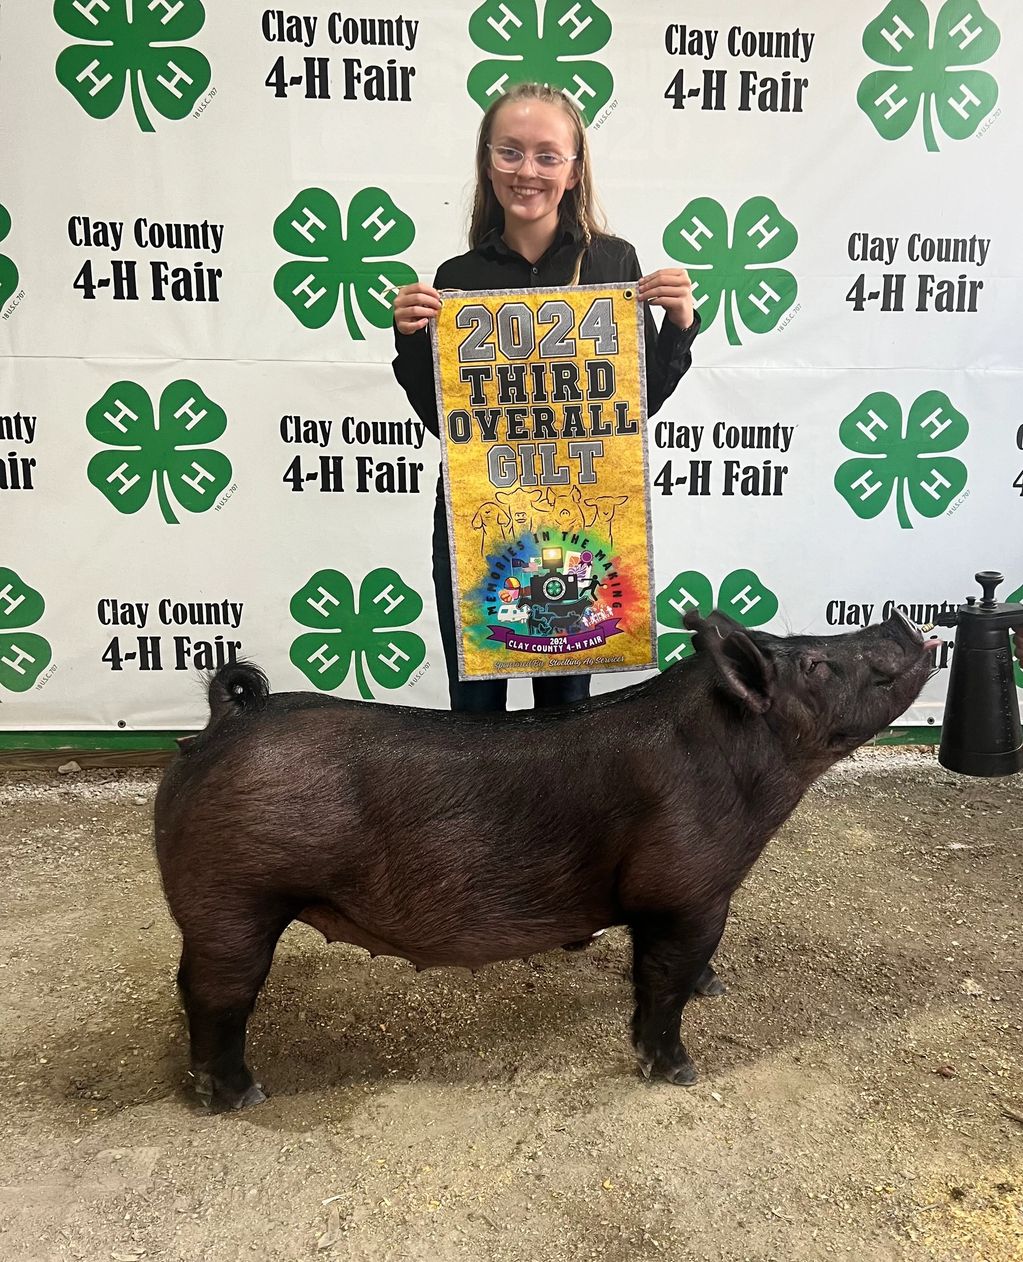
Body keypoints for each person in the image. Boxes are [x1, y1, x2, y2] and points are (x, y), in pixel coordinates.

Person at [392, 82, 700, 712]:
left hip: (578, 524)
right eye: (509, 152)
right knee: (475, 711)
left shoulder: (616, 264)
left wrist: (679, 326)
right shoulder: (457, 280)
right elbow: (447, 424)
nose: (526, 171)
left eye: (546, 155)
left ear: (574, 168)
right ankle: (476, 817)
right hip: (480, 523)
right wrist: (410, 343)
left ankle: (554, 819)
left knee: (564, 714)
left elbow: (631, 414)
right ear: (486, 160)